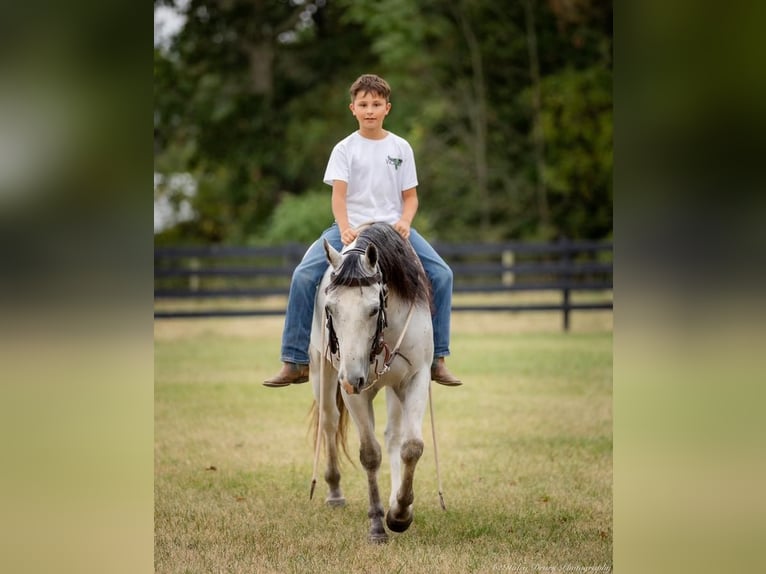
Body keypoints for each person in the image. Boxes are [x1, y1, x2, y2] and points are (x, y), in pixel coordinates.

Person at [264, 73, 461, 388]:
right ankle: (295, 360)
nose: (370, 110)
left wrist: (406, 222)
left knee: (442, 274)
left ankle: (437, 358)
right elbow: (338, 197)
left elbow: (410, 198)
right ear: (352, 108)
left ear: (387, 108)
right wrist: (344, 228)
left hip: (393, 230)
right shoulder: (345, 149)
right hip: (351, 228)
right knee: (303, 275)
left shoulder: (400, 148)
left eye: (376, 104)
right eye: (363, 104)